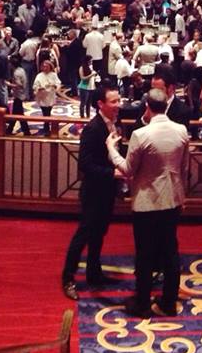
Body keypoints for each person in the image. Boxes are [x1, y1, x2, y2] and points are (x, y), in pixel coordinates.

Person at [106, 87, 190, 318]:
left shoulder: (141, 134)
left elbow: (127, 169)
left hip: (147, 202)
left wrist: (111, 149)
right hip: (173, 199)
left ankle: (142, 303)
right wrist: (182, 195)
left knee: (144, 253)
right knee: (170, 252)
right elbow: (184, 168)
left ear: (147, 107)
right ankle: (169, 302)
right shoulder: (181, 130)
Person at [61, 86, 121, 300]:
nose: (118, 105)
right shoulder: (93, 129)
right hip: (94, 191)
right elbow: (85, 165)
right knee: (84, 235)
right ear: (100, 104)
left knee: (99, 233)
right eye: (113, 102)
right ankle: (68, 278)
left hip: (108, 190)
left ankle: (94, 273)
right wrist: (111, 173)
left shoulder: (114, 124)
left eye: (118, 100)